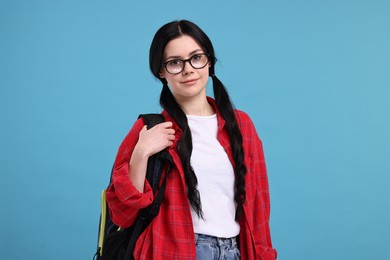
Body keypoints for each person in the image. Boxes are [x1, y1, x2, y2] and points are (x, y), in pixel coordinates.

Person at [106, 19, 277, 260]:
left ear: (209, 61)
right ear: (161, 71)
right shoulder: (149, 128)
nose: (188, 69)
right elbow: (122, 215)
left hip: (234, 251)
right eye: (175, 62)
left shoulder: (242, 126)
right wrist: (141, 153)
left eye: (196, 57)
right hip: (173, 251)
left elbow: (259, 207)